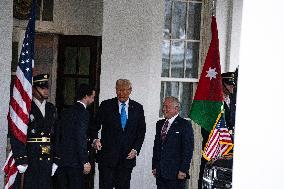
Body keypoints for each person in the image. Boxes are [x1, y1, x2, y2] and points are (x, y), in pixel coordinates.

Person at [92, 79, 146, 189]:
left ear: (130, 90)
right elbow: (94, 126)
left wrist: (135, 149)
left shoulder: (137, 108)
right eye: (118, 90)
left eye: (123, 90)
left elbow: (141, 131)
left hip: (126, 159)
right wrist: (95, 139)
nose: (120, 93)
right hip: (107, 159)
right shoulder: (106, 105)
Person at [9, 73, 58, 189]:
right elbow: (16, 133)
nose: (46, 90)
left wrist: (57, 158)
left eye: (46, 87)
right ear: (34, 89)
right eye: (42, 87)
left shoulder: (51, 108)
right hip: (31, 155)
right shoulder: (26, 108)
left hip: (47, 155)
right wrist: (20, 157)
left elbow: (57, 134)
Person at [57, 84, 95, 189]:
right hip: (76, 162)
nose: (93, 100)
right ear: (86, 97)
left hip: (62, 161)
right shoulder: (83, 113)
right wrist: (85, 161)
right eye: (92, 97)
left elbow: (59, 135)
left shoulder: (65, 112)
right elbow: (80, 137)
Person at [152, 96, 194, 189]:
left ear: (177, 109)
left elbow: (188, 150)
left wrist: (183, 170)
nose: (164, 109)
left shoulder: (185, 125)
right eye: (163, 106)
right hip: (160, 172)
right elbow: (157, 147)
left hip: (176, 174)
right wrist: (154, 166)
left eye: (167, 107)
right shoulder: (159, 124)